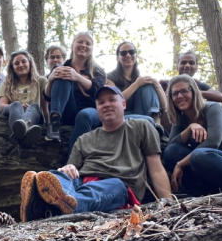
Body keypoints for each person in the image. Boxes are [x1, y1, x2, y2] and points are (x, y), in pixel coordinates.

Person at [20, 85, 171, 222]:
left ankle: (57, 207)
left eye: (112, 100)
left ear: (123, 104)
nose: (107, 105)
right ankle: (43, 203)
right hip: (82, 182)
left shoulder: (141, 127)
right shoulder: (84, 139)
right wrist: (67, 169)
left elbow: (156, 168)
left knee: (101, 189)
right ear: (97, 109)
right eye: (101, 102)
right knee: (55, 176)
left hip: (121, 186)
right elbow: (70, 169)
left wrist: (168, 203)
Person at [163, 75, 222, 195]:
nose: (179, 96)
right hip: (212, 173)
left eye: (184, 91)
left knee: (199, 155)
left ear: (194, 92)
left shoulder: (213, 108)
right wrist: (190, 128)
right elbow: (171, 148)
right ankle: (202, 193)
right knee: (172, 152)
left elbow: (213, 142)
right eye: (175, 93)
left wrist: (180, 164)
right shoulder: (181, 118)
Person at [43, 32, 106, 158]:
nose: (83, 45)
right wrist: (50, 80)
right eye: (80, 42)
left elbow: (99, 91)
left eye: (88, 43)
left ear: (92, 49)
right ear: (72, 45)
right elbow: (48, 97)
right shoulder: (62, 66)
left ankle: (71, 163)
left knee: (84, 115)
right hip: (68, 111)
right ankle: (54, 124)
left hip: (91, 112)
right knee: (63, 72)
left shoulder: (98, 71)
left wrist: (77, 77)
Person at [106, 42, 166, 123]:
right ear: (118, 58)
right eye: (123, 53)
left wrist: (156, 83)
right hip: (122, 116)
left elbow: (164, 106)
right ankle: (153, 123)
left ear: (136, 56)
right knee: (148, 120)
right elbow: (114, 100)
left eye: (131, 52)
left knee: (148, 85)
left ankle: (155, 118)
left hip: (142, 114)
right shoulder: (110, 78)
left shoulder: (140, 79)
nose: (128, 55)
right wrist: (136, 84)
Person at [0, 50, 48, 143]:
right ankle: (24, 133)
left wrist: (49, 124)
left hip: (34, 116)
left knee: (34, 106)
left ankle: (21, 131)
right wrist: (18, 107)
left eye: (24, 61)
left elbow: (45, 107)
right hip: (14, 113)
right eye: (16, 63)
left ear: (30, 63)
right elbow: (1, 106)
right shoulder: (6, 84)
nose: (21, 65)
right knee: (15, 104)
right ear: (12, 67)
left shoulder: (41, 81)